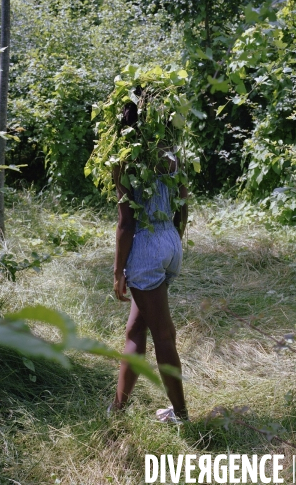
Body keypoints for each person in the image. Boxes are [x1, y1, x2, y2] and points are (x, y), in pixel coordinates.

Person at [109, 99, 189, 422]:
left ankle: (181, 415)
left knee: (163, 335)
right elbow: (182, 206)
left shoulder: (124, 163)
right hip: (170, 242)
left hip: (144, 252)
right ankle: (117, 409)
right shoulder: (172, 155)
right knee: (134, 330)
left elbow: (126, 224)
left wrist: (118, 271)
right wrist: (172, 241)